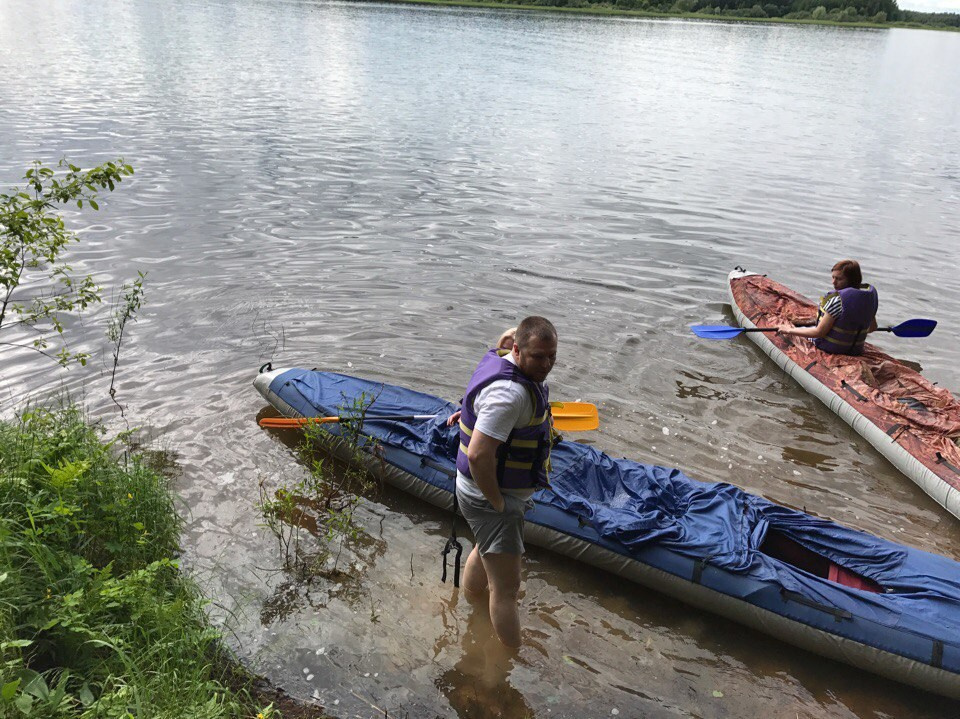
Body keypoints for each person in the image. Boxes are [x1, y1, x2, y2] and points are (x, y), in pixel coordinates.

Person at [454, 316, 557, 649]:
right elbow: (479, 455)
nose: (546, 364)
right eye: (538, 357)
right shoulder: (509, 395)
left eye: (551, 356)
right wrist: (498, 503)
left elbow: (507, 337)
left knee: (483, 548)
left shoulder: (503, 356)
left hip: (475, 492)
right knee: (507, 591)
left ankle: (470, 602)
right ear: (518, 350)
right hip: (489, 496)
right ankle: (510, 662)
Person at [777, 259, 878, 356]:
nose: (833, 282)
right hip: (855, 350)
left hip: (830, 348)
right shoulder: (868, 299)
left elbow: (819, 332)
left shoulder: (837, 300)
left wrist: (788, 330)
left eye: (839, 279)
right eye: (833, 277)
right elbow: (873, 328)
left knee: (796, 330)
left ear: (852, 280)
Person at [446, 327, 516, 427]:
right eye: (503, 350)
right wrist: (465, 413)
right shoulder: (494, 374)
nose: (506, 356)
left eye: (510, 352)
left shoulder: (508, 389)